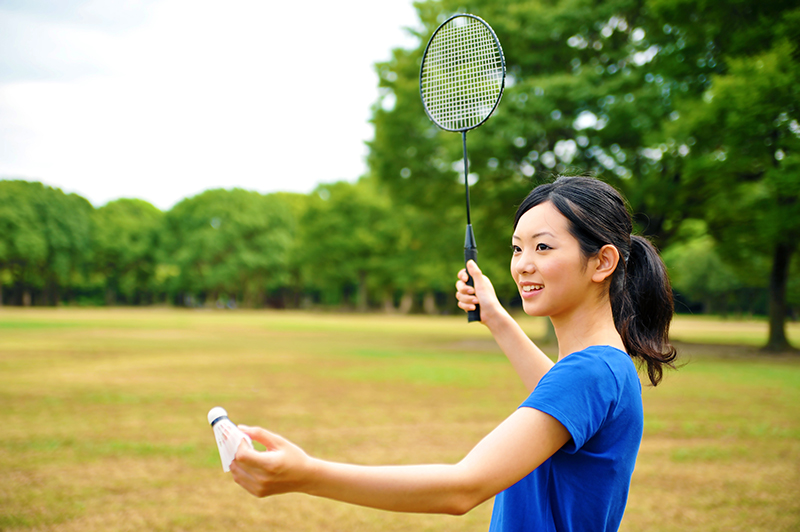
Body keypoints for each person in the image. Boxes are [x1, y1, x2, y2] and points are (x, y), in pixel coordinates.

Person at [230, 176, 677, 531]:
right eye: (517, 248)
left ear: (602, 262)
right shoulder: (607, 367)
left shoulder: (589, 372)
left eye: (543, 246)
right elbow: (558, 392)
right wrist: (497, 318)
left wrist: (307, 475)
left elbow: (462, 488)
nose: (522, 264)